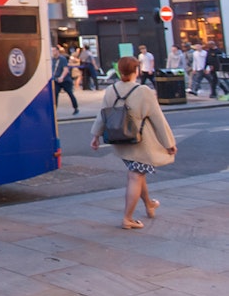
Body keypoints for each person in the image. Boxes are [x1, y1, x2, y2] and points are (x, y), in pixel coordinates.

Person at [90, 56, 176, 230]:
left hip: (120, 141)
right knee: (136, 176)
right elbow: (158, 119)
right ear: (136, 71)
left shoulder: (111, 90)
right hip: (140, 143)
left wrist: (96, 135)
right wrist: (169, 143)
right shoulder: (143, 91)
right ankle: (128, 218)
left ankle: (149, 204)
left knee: (137, 172)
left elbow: (102, 115)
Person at [51, 45, 79, 114]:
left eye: (54, 50)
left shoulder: (62, 59)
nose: (52, 52)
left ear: (57, 51)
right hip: (56, 80)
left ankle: (76, 108)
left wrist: (62, 77)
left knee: (70, 93)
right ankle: (54, 111)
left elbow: (65, 69)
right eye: (52, 51)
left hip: (65, 80)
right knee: (55, 94)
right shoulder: (52, 60)